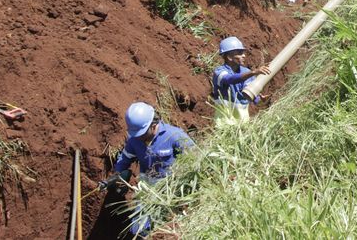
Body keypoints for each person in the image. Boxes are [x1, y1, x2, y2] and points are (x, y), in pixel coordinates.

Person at [101, 102, 195, 236]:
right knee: (139, 230)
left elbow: (195, 157)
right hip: (148, 191)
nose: (139, 136)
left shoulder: (174, 135)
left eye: (142, 133)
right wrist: (118, 174)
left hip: (173, 191)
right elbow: (124, 159)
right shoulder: (134, 140)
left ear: (153, 124)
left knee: (170, 230)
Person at [212, 36, 271, 125]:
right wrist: (253, 72)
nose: (244, 55)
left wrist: (260, 100)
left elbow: (252, 98)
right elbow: (230, 79)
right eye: (239, 53)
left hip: (242, 125)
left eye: (243, 52)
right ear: (229, 57)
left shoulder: (246, 72)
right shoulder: (219, 72)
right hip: (224, 124)